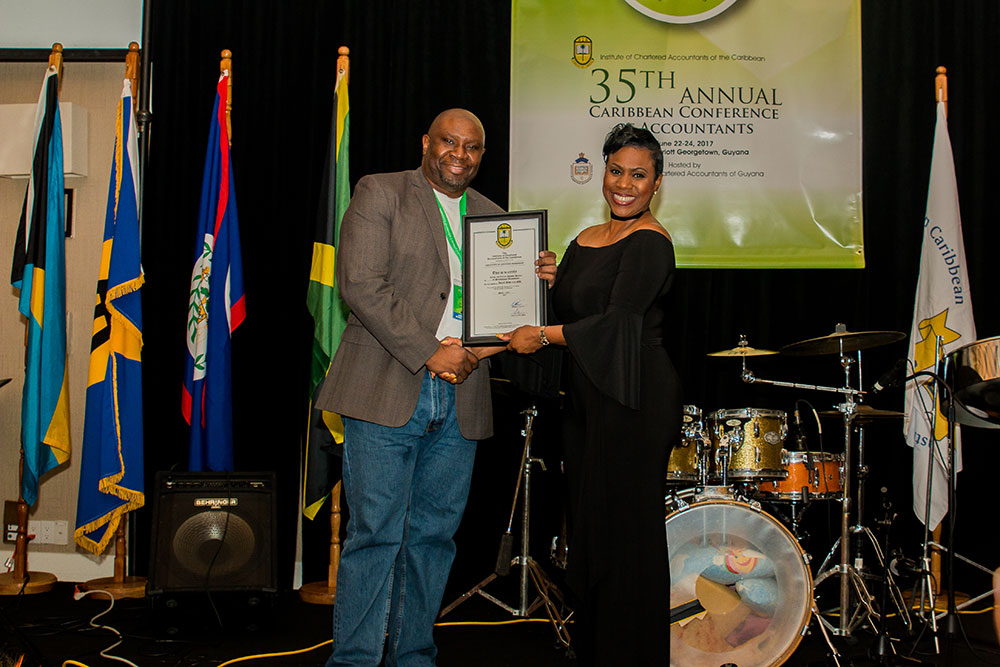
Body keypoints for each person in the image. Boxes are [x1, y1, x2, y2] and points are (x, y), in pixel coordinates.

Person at [315, 108, 552, 667]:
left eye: (472, 147)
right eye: (449, 141)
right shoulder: (381, 192)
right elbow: (360, 284)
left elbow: (509, 317)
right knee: (375, 534)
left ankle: (414, 656)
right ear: (427, 142)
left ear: (482, 155)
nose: (459, 154)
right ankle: (354, 660)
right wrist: (431, 351)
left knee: (434, 538)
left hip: (463, 391)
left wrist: (537, 282)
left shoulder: (496, 219)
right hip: (386, 385)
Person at [504, 123, 680, 665]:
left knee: (627, 536)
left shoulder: (651, 242)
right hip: (585, 400)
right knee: (590, 531)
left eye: (638, 175)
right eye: (616, 171)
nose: (624, 185)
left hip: (634, 401)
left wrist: (542, 335)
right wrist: (553, 282)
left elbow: (617, 323)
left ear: (656, 183)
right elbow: (578, 309)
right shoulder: (584, 239)